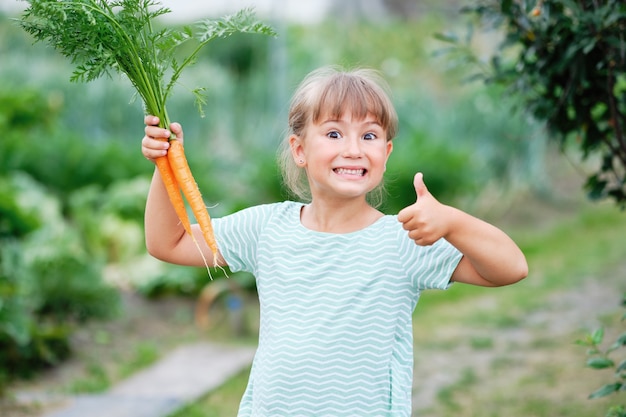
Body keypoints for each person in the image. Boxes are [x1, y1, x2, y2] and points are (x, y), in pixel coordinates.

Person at [141, 66, 528, 416]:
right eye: (333, 133)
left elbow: (511, 268)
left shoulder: (403, 241)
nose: (354, 149)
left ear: (386, 153)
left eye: (370, 135)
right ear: (299, 150)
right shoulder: (266, 229)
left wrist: (453, 222)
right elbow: (168, 243)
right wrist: (166, 165)